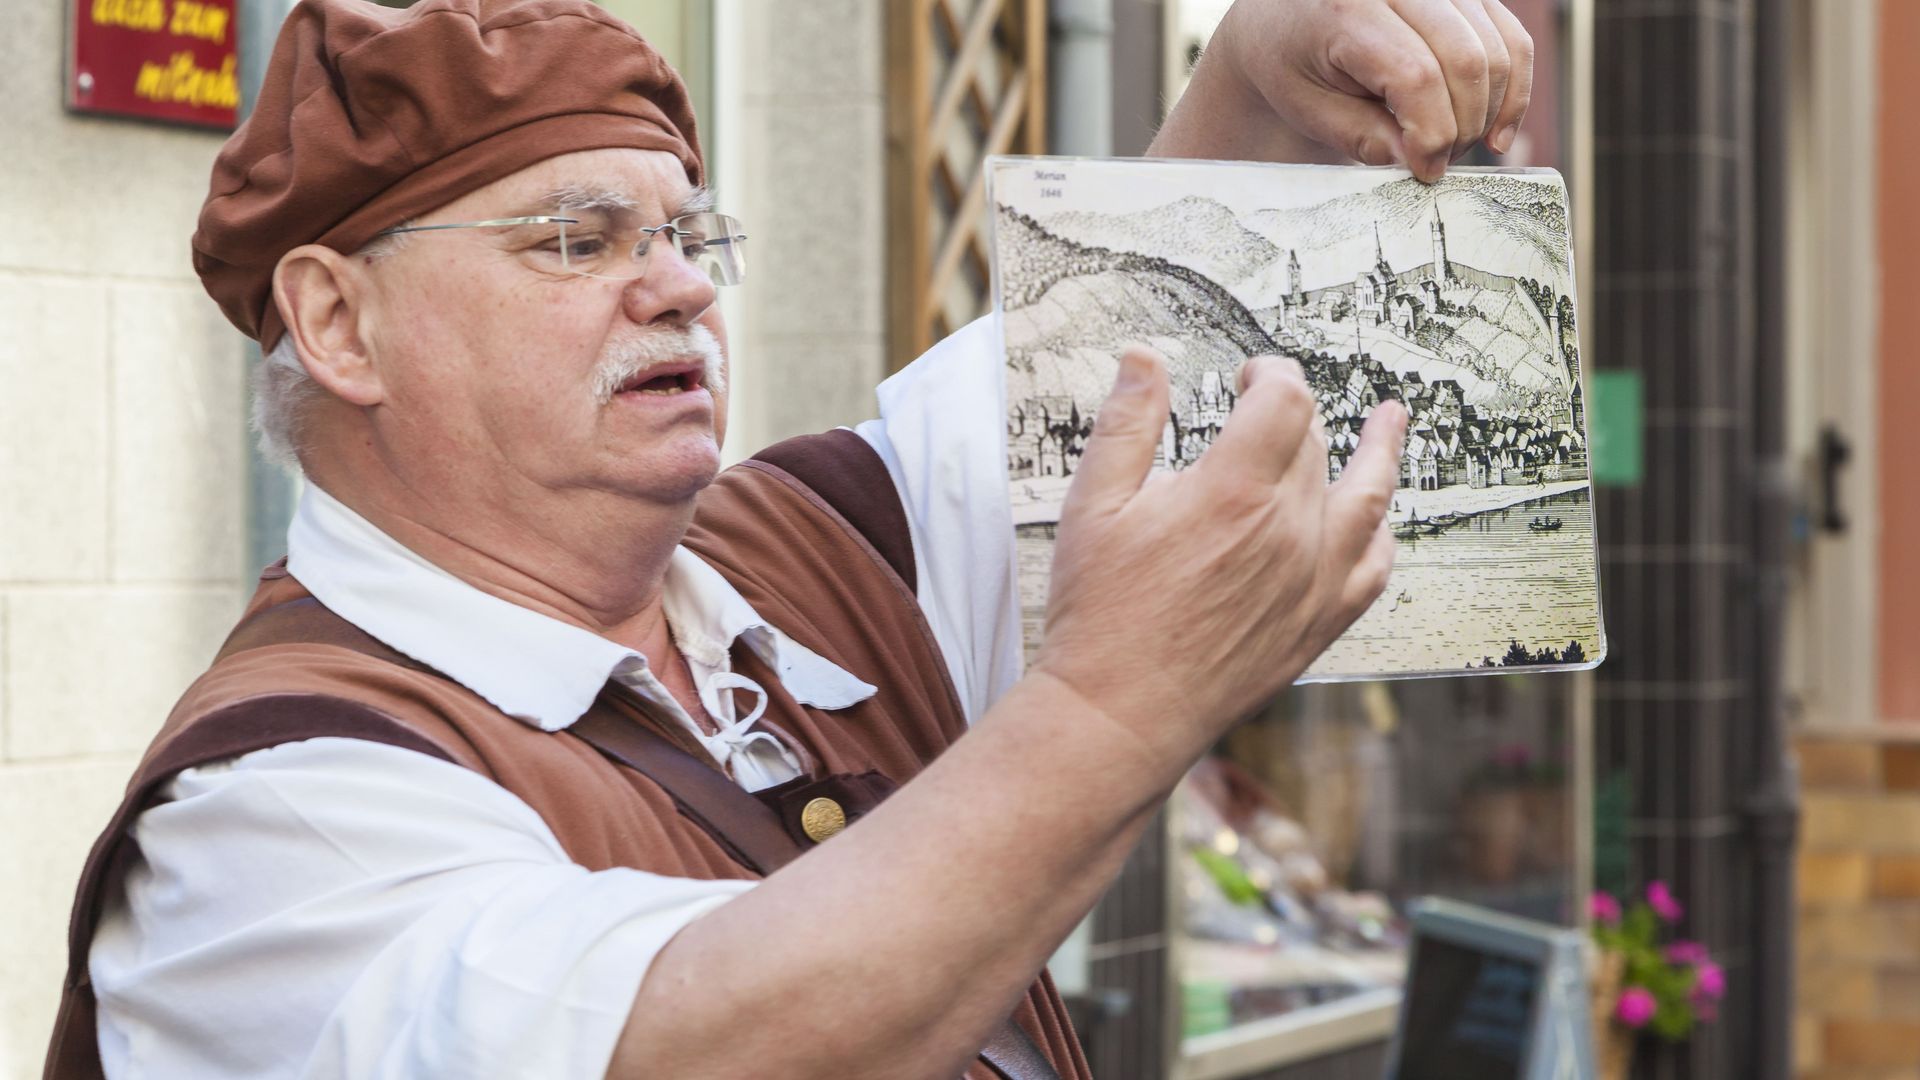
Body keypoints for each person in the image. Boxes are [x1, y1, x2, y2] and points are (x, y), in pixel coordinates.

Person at [46, 0, 1533, 1076]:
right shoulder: (273, 814)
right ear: (335, 321)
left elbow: (1129, 379)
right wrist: (1116, 708)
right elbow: (698, 1047)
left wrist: (1260, 78)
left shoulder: (814, 550)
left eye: (690, 237)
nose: (681, 289)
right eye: (579, 238)